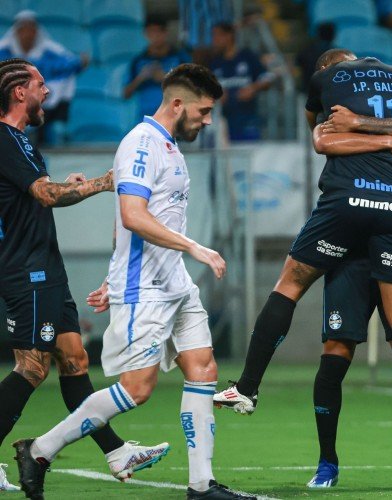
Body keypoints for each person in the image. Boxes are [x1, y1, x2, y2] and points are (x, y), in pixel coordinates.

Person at [14, 63, 255, 500]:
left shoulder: (170, 148)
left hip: (176, 285)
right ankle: (41, 449)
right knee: (136, 389)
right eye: (203, 111)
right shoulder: (140, 144)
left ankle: (202, 486)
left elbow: (122, 224)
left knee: (203, 369)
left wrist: (112, 273)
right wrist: (192, 247)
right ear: (177, 103)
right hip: (144, 288)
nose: (207, 120)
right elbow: (132, 215)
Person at [213, 49, 392, 473]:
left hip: (345, 209)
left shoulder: (328, 80)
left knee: (291, 285)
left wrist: (355, 125)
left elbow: (321, 139)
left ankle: (248, 387)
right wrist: (389, 138)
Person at [0, 58, 169, 492]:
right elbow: (45, 194)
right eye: (40, 84)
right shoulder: (5, 138)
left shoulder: (17, 142)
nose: (47, 92)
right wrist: (103, 182)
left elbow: (34, 194)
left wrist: (70, 182)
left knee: (74, 359)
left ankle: (115, 451)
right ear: (19, 92)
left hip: (45, 269)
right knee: (31, 367)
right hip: (28, 270)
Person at [305, 103, 392, 487]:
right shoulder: (333, 123)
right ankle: (326, 463)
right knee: (336, 350)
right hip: (350, 253)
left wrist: (366, 126)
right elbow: (319, 136)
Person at [0, 10, 88, 145]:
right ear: (17, 31)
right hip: (10, 103)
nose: (28, 34)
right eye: (24, 29)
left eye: (31, 29)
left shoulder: (50, 49)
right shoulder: (3, 48)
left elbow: (75, 62)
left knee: (65, 80)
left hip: (48, 105)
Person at [209, 22, 274, 142]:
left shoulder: (247, 57)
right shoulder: (215, 63)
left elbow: (268, 77)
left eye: (217, 36)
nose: (214, 40)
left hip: (248, 121)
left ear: (228, 36)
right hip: (224, 124)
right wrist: (216, 96)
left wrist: (253, 88)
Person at [124, 16, 192, 120]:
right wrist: (140, 78)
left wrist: (166, 79)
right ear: (145, 34)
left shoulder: (180, 57)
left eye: (158, 32)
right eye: (151, 32)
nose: (155, 36)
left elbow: (192, 88)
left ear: (165, 33)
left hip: (174, 118)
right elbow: (125, 94)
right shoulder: (138, 61)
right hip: (147, 119)